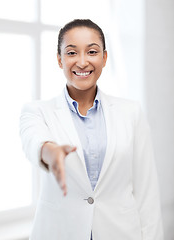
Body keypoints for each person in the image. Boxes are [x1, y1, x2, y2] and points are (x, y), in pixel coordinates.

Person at [20, 19, 163, 240]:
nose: (82, 62)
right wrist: (50, 152)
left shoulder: (131, 112)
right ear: (60, 60)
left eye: (92, 52)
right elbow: (33, 140)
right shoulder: (37, 111)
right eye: (71, 53)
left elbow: (147, 192)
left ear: (104, 58)